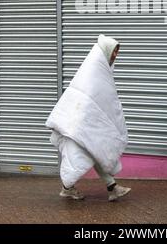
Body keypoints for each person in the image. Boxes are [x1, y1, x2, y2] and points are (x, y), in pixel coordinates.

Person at [46, 34, 131, 202]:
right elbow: (87, 96)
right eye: (114, 51)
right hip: (78, 123)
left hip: (83, 123)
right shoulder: (94, 70)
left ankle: (111, 187)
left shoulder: (99, 70)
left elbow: (102, 98)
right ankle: (71, 188)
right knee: (86, 153)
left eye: (117, 51)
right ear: (106, 51)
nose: (116, 55)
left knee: (94, 151)